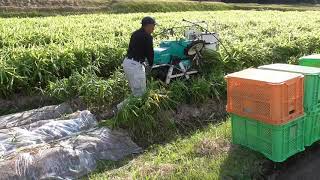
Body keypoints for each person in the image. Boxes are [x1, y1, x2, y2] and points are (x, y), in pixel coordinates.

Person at [115, 16, 156, 113]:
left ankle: (129, 111)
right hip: (135, 66)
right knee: (140, 94)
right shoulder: (147, 37)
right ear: (147, 25)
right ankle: (119, 110)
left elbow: (133, 49)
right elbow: (150, 53)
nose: (154, 29)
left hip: (128, 63)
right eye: (153, 26)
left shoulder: (135, 34)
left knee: (137, 92)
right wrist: (151, 65)